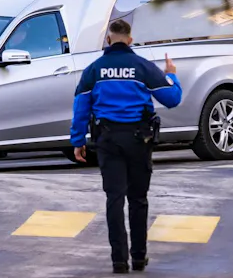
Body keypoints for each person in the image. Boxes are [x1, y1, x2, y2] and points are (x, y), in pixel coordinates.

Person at [70, 19, 182, 274]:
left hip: (107, 141)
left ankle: (118, 261)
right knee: (138, 199)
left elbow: (80, 108)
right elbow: (173, 99)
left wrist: (77, 141)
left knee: (114, 199)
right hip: (138, 141)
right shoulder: (143, 67)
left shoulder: (94, 70)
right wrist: (172, 74)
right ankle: (139, 258)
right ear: (130, 40)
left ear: (108, 40)